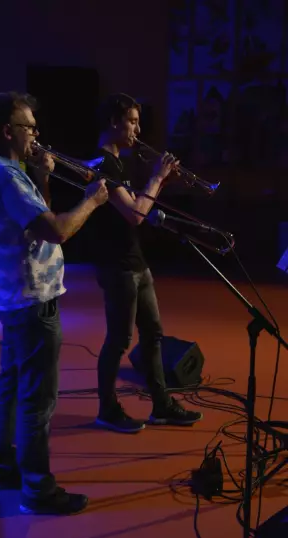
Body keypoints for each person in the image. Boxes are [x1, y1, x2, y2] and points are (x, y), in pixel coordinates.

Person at [0, 91, 108, 514]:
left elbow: (36, 222)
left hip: (15, 298)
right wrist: (92, 201)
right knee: (38, 400)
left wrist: (43, 178)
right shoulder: (7, 176)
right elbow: (57, 230)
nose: (36, 134)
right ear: (6, 131)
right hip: (33, 300)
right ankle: (37, 489)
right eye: (28, 127)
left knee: (11, 385)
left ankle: (0, 469)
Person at [92, 92, 203, 433]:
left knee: (153, 335)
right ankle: (107, 409)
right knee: (119, 341)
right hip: (118, 266)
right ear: (114, 122)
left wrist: (159, 184)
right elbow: (135, 215)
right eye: (132, 121)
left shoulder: (119, 163)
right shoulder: (100, 164)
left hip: (136, 261)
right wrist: (156, 177)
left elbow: (137, 210)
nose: (138, 130)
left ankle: (161, 405)